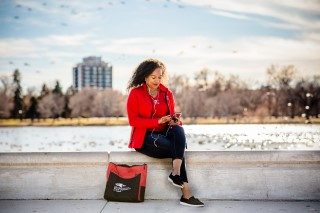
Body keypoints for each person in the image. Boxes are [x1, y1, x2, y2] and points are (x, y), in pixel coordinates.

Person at [126, 59, 204, 207]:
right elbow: (133, 121)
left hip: (165, 134)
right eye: (153, 77)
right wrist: (158, 122)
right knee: (178, 149)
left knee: (178, 129)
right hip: (144, 139)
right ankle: (186, 194)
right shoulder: (135, 93)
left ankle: (175, 173)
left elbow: (172, 116)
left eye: (160, 77)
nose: (157, 80)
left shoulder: (166, 93)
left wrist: (174, 121)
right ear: (145, 77)